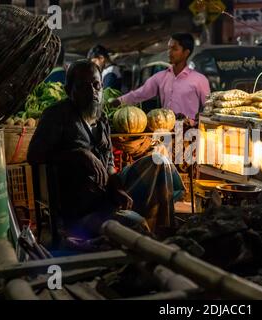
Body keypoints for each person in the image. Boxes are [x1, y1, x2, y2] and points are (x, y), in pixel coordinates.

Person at [27, 60, 184, 241]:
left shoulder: (101, 120)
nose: (93, 92)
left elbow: (109, 164)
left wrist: (118, 189)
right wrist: (79, 154)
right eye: (83, 87)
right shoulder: (56, 115)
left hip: (107, 194)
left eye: (96, 86)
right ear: (68, 90)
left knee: (158, 162)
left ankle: (165, 230)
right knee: (136, 224)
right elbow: (34, 155)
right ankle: (149, 240)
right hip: (82, 208)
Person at [110, 33, 210, 122]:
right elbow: (140, 94)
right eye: (169, 48)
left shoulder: (199, 80)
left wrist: (195, 122)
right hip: (165, 130)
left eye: (174, 49)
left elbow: (208, 108)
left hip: (189, 132)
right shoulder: (160, 77)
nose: (169, 52)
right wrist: (118, 101)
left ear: (186, 53)